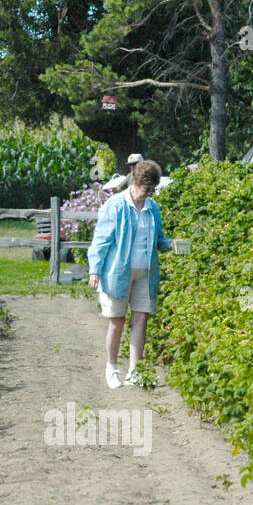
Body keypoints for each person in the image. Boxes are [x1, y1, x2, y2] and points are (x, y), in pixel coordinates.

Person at [88, 160, 174, 389]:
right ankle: (112, 368)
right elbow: (101, 241)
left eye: (153, 189)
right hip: (118, 273)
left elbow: (158, 240)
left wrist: (172, 245)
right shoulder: (115, 206)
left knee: (140, 320)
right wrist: (95, 270)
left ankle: (135, 371)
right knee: (117, 322)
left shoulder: (152, 208)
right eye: (148, 189)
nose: (150, 193)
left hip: (145, 273)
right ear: (136, 183)